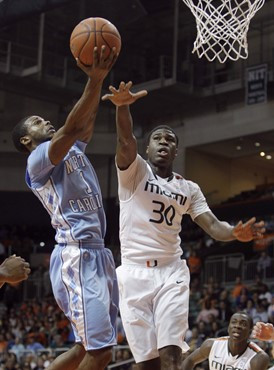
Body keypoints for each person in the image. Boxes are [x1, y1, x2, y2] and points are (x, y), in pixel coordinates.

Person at [102, 81, 266, 370]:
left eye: (170, 139)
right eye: (157, 138)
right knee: (148, 364)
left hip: (171, 272)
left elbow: (214, 226)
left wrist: (234, 233)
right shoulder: (134, 173)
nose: (164, 142)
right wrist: (123, 107)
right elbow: (125, 141)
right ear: (148, 147)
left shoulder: (188, 188)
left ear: (176, 150)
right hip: (133, 272)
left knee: (172, 354)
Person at [12, 46, 119, 370]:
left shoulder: (70, 147)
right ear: (27, 142)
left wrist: (98, 84)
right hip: (77, 255)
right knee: (101, 353)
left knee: (84, 350)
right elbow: (72, 128)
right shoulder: (38, 159)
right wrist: (94, 79)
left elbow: (82, 126)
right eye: (35, 122)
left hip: (97, 253)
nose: (43, 120)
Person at [182, 312, 269, 370]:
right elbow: (190, 360)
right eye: (234, 322)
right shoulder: (211, 345)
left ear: (250, 331)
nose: (237, 326)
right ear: (228, 328)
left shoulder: (258, 357)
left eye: (243, 324)